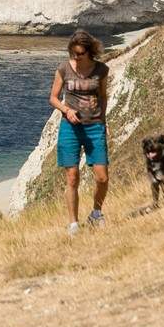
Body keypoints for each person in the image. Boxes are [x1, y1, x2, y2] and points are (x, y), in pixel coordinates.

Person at [50, 30, 110, 233]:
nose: (76, 57)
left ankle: (96, 213)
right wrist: (66, 110)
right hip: (70, 128)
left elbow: (103, 95)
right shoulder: (63, 68)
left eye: (80, 53)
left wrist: (101, 119)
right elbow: (53, 98)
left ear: (89, 51)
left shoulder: (101, 70)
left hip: (94, 127)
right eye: (73, 52)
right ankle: (73, 223)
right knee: (72, 176)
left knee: (102, 177)